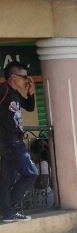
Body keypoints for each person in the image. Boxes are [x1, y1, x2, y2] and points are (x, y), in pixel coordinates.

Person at [0, 61, 38, 222]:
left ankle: (7, 212)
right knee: (31, 173)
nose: (26, 80)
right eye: (24, 77)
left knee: (7, 179)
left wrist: (30, 91)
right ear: (13, 77)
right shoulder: (3, 89)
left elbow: (29, 107)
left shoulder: (15, 93)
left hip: (14, 141)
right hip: (10, 142)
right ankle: (9, 208)